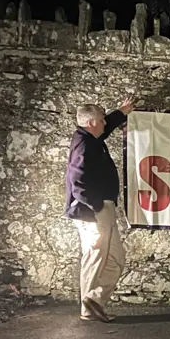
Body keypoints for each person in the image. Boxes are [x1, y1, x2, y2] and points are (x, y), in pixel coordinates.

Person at [64, 97, 135, 322]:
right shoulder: (84, 146)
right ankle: (90, 307)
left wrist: (120, 113)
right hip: (93, 212)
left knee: (115, 258)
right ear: (91, 123)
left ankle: (93, 301)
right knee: (96, 256)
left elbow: (105, 130)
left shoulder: (90, 138)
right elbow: (77, 182)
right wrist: (95, 208)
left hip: (101, 208)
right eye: (102, 119)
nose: (105, 122)